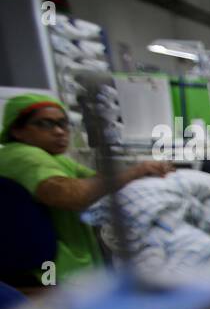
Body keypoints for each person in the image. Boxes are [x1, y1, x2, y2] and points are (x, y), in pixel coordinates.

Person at [0, 93, 170, 285]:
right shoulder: (22, 156)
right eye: (45, 124)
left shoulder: (55, 158)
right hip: (45, 272)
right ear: (16, 130)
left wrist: (144, 174)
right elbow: (71, 195)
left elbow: (99, 181)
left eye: (63, 124)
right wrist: (136, 171)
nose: (59, 131)